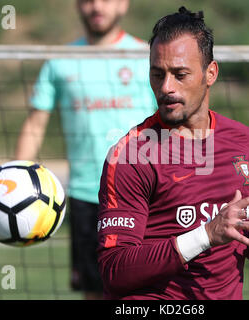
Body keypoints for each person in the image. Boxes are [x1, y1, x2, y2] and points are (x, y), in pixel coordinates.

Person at [97, 6, 249, 300]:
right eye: (157, 74)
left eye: (179, 74)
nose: (166, 87)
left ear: (210, 73)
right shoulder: (131, 155)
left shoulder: (247, 144)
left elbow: (240, 238)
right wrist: (206, 235)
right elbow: (115, 272)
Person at [15, 0, 157, 300]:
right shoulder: (60, 62)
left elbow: (175, 124)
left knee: (151, 294)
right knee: (95, 293)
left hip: (146, 197)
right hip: (86, 198)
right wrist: (18, 181)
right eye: (87, 0)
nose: (96, 7)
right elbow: (35, 124)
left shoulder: (149, 57)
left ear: (123, 4)